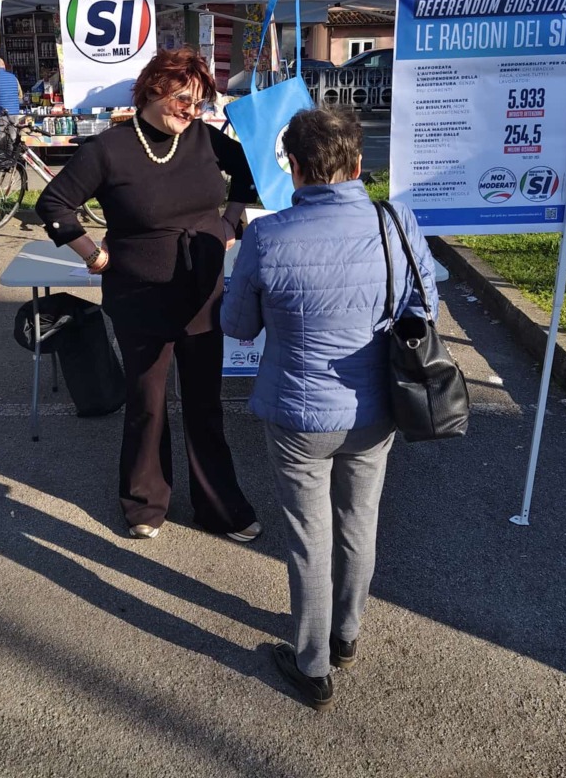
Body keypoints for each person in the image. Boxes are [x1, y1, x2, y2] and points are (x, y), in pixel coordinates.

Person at [221, 107, 439, 709]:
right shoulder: (397, 223)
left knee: (307, 536)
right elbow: (427, 313)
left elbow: (237, 325)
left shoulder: (266, 236)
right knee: (358, 520)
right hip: (375, 408)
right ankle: (347, 634)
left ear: (293, 168)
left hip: (296, 410)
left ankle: (313, 663)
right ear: (358, 164)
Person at [35, 46, 260, 542]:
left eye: (200, 103)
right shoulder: (109, 149)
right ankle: (144, 502)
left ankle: (219, 506)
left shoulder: (204, 137)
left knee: (204, 404)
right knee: (148, 403)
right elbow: (53, 203)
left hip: (202, 291)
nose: (191, 111)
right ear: (154, 88)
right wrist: (91, 255)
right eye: (183, 99)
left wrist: (228, 221)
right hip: (140, 298)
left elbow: (249, 172)